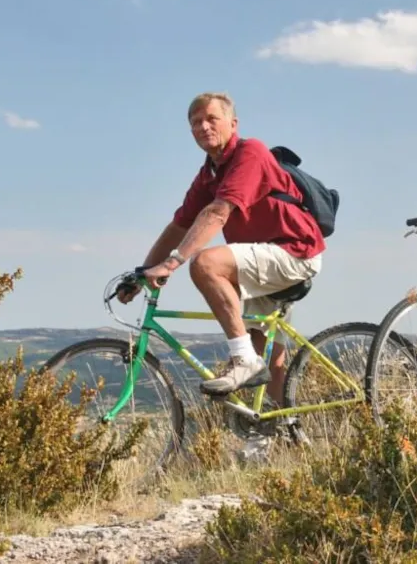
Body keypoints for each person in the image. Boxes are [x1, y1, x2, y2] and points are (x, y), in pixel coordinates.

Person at [117, 91, 325, 403]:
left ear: (232, 123)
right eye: (196, 122)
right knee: (273, 362)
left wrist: (172, 264)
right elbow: (178, 226)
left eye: (211, 118)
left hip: (294, 251)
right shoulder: (209, 173)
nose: (203, 126)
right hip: (263, 259)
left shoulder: (250, 153)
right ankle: (281, 430)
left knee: (205, 264)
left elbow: (217, 213)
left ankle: (245, 361)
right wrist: (142, 271)